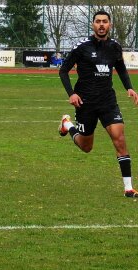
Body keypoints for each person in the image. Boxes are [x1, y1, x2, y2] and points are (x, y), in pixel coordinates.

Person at [58, 10, 138, 198]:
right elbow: (63, 71)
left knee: (119, 138)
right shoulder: (81, 47)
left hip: (108, 101)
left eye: (105, 22)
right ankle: (67, 124)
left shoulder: (115, 47)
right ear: (93, 25)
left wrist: (130, 88)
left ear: (109, 25)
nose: (101, 25)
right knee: (86, 147)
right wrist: (72, 94)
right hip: (85, 103)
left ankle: (128, 188)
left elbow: (121, 68)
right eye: (98, 21)